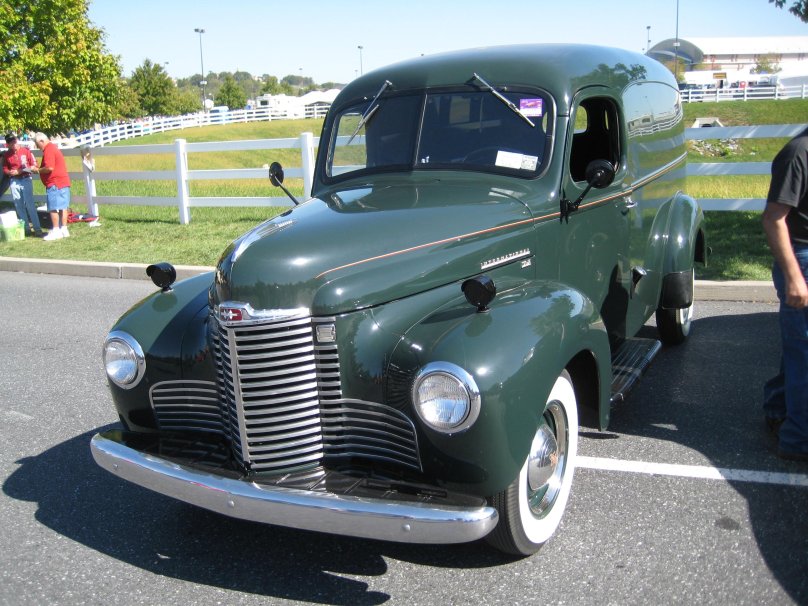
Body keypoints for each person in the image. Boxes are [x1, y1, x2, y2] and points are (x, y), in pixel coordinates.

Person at [762, 125, 808, 462]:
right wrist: (794, 278)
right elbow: (774, 219)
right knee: (804, 354)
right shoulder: (798, 153)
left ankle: (778, 409)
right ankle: (798, 440)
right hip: (802, 259)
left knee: (797, 346)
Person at [30, 132, 71, 241]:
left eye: (38, 145)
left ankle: (56, 230)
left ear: (41, 141)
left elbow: (49, 168)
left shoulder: (48, 149)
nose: (39, 148)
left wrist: (37, 170)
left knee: (53, 208)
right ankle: (64, 229)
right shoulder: (53, 148)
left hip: (54, 182)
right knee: (63, 206)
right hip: (63, 181)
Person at [2, 132, 42, 237]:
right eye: (10, 142)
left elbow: (34, 166)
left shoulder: (26, 151)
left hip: (25, 178)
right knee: (18, 204)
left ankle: (37, 228)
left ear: (17, 140)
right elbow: (5, 168)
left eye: (14, 140)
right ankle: (26, 228)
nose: (13, 143)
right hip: (14, 180)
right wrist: (9, 172)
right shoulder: (7, 155)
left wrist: (20, 171)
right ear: (8, 144)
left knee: (30, 204)